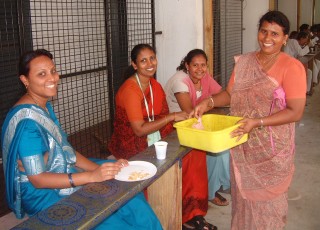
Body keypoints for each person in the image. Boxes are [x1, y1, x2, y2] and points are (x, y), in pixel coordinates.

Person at [1, 49, 162, 229]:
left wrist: (103, 170)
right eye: (41, 74)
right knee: (105, 220)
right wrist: (91, 176)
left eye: (53, 71)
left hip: (62, 168)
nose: (52, 78)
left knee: (127, 190)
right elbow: (38, 179)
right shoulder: (27, 123)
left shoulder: (43, 105)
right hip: (41, 191)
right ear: (25, 80)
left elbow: (64, 150)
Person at [191, 11, 306, 229]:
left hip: (271, 150)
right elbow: (230, 94)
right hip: (242, 143)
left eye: (275, 33)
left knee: (269, 207)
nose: (267, 38)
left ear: (285, 38)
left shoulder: (292, 67)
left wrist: (257, 122)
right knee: (243, 202)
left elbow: (295, 111)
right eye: (263, 31)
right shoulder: (245, 62)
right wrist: (209, 102)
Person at [108, 44, 216, 230]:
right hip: (134, 144)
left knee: (195, 152)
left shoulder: (154, 85)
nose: (150, 64)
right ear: (134, 65)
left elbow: (161, 117)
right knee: (165, 166)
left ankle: (191, 214)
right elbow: (140, 130)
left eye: (152, 58)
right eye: (143, 60)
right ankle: (169, 216)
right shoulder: (130, 90)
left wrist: (182, 123)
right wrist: (173, 117)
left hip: (158, 136)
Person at [164, 49, 230, 208]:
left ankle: (214, 185)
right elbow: (189, 112)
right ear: (187, 65)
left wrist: (209, 103)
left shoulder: (204, 77)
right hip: (175, 128)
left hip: (195, 123)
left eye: (203, 65)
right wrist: (209, 103)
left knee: (224, 147)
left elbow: (222, 95)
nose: (200, 69)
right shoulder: (181, 81)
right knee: (216, 152)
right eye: (195, 65)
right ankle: (210, 190)